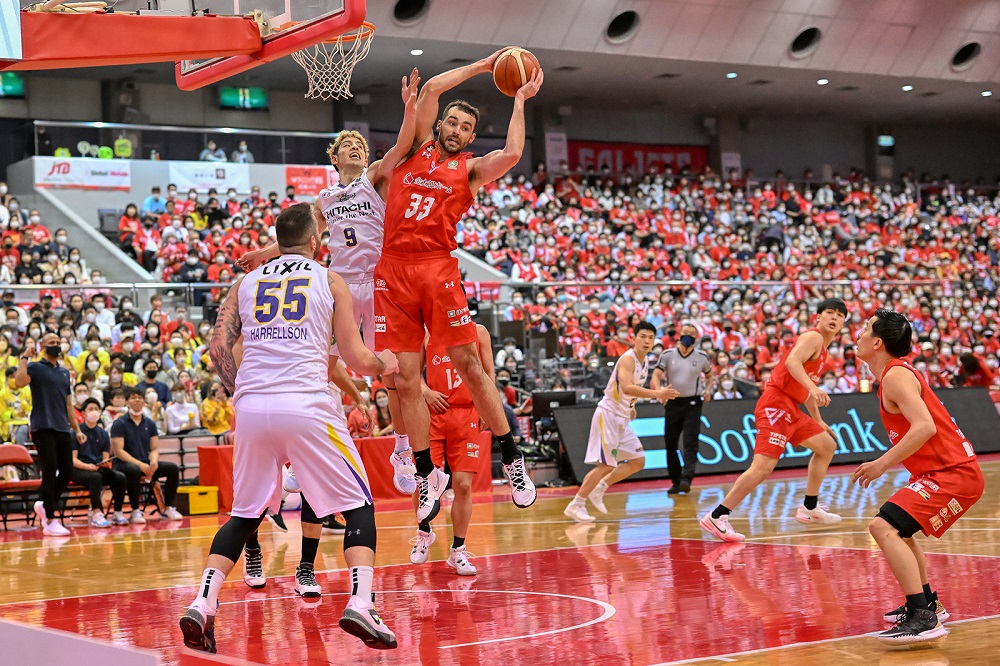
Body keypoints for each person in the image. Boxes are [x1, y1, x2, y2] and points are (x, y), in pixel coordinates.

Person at [179, 203, 400, 653]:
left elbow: (218, 347)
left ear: (277, 242)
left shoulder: (245, 282)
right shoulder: (330, 280)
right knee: (358, 504)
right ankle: (361, 603)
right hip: (306, 404)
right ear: (316, 241)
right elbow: (355, 358)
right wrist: (385, 363)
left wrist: (243, 392)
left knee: (244, 515)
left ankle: (203, 603)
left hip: (252, 406)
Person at [374, 51, 543, 519]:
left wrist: (519, 101)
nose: (456, 130)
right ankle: (426, 473)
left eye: (465, 128)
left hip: (437, 268)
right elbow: (430, 89)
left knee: (469, 364)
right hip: (392, 270)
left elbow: (512, 154)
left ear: (471, 137)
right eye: (451, 122)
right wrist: (485, 64)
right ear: (440, 124)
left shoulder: (469, 169)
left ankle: (512, 456)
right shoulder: (413, 148)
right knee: (406, 379)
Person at [236, 70, 422, 497]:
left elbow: (401, 146)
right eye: (347, 146)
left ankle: (401, 450)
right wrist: (264, 253)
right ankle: (307, 454)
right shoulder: (324, 199)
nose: (356, 147)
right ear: (334, 159)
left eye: (360, 145)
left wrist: (409, 108)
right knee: (319, 368)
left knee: (392, 376)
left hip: (379, 283)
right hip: (340, 284)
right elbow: (299, 237)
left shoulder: (374, 177)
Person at [853, 309, 983, 644]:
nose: (859, 334)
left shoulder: (896, 375)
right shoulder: (895, 374)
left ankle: (923, 617)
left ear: (877, 342)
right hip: (946, 472)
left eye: (865, 329)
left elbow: (924, 427)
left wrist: (881, 464)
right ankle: (927, 604)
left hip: (952, 473)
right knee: (900, 530)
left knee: (882, 527)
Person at [700, 299, 848, 542]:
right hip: (776, 403)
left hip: (792, 408)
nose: (834, 318)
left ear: (843, 322)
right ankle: (717, 515)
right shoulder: (813, 337)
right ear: (818, 317)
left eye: (840, 315)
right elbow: (791, 362)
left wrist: (818, 419)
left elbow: (805, 387)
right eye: (830, 313)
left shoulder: (823, 350)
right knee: (763, 467)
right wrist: (813, 387)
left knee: (826, 446)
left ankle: (810, 507)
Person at [564, 322, 678, 523]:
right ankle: (576, 504)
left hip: (622, 417)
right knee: (605, 465)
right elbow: (626, 387)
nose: (646, 341)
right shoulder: (627, 359)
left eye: (650, 338)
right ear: (634, 338)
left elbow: (626, 391)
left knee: (637, 460)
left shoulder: (644, 361)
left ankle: (600, 488)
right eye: (642, 336)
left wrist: (631, 406)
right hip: (608, 415)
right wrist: (657, 393)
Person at [409, 323, 493, 574]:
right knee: (423, 481)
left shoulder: (479, 332)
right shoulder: (426, 335)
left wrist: (488, 406)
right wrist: (426, 391)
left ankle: (458, 550)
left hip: (467, 413)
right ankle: (424, 532)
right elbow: (412, 374)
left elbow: (489, 373)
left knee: (463, 486)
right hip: (433, 413)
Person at [14, 333, 88, 536]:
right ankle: (50, 519)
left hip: (62, 427)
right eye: (51, 343)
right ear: (43, 346)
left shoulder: (64, 373)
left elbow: (68, 404)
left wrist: (77, 430)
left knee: (67, 472)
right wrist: (24, 357)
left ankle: (44, 504)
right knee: (49, 472)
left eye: (57, 342)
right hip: (42, 427)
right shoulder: (35, 367)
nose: (56, 345)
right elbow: (19, 382)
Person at [650, 321, 713, 494]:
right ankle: (676, 480)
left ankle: (687, 477)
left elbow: (709, 375)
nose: (688, 336)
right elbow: (656, 375)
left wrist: (708, 390)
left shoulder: (702, 357)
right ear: (679, 335)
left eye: (692, 334)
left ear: (696, 338)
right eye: (685, 332)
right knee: (670, 443)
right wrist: (659, 391)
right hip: (673, 401)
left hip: (693, 403)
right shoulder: (667, 354)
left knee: (690, 442)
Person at [110, 387, 184, 524]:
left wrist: (153, 462)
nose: (137, 400)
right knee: (133, 470)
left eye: (140, 397)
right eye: (133, 397)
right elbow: (119, 451)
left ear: (144, 401)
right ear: (127, 402)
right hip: (122, 464)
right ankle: (135, 510)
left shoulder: (149, 423)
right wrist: (140, 465)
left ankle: (168, 507)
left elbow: (154, 448)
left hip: (144, 462)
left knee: (172, 468)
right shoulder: (119, 423)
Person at [70, 398, 128, 527]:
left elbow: (105, 458)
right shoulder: (76, 432)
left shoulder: (103, 434)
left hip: (97, 468)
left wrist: (105, 464)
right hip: (79, 469)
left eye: (96, 409)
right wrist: (87, 466)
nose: (94, 412)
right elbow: (73, 460)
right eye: (90, 409)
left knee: (120, 477)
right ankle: (96, 513)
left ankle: (117, 512)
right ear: (83, 413)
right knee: (95, 477)